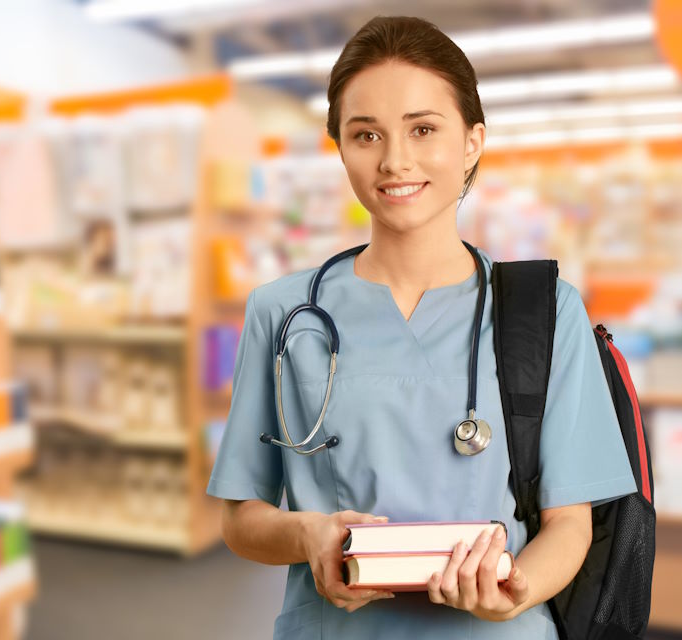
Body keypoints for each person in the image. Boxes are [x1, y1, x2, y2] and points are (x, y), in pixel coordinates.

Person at [206, 15, 638, 639]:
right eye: (366, 135)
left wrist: (515, 592)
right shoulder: (284, 311)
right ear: (341, 149)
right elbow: (242, 518)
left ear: (472, 141)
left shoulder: (545, 311)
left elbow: (570, 523)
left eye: (423, 129)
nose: (394, 161)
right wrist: (309, 534)